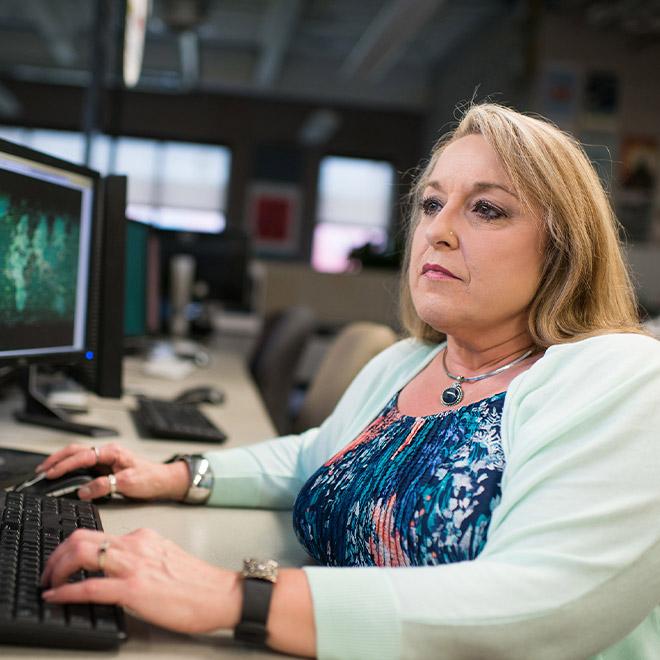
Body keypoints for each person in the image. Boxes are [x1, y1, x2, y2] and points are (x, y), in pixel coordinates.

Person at [39, 103, 660, 659]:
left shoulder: (620, 378)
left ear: (563, 250)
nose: (438, 230)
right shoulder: (407, 362)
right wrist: (178, 474)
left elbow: (547, 604)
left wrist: (239, 598)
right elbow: (315, 455)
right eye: (431, 203)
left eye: (487, 209)